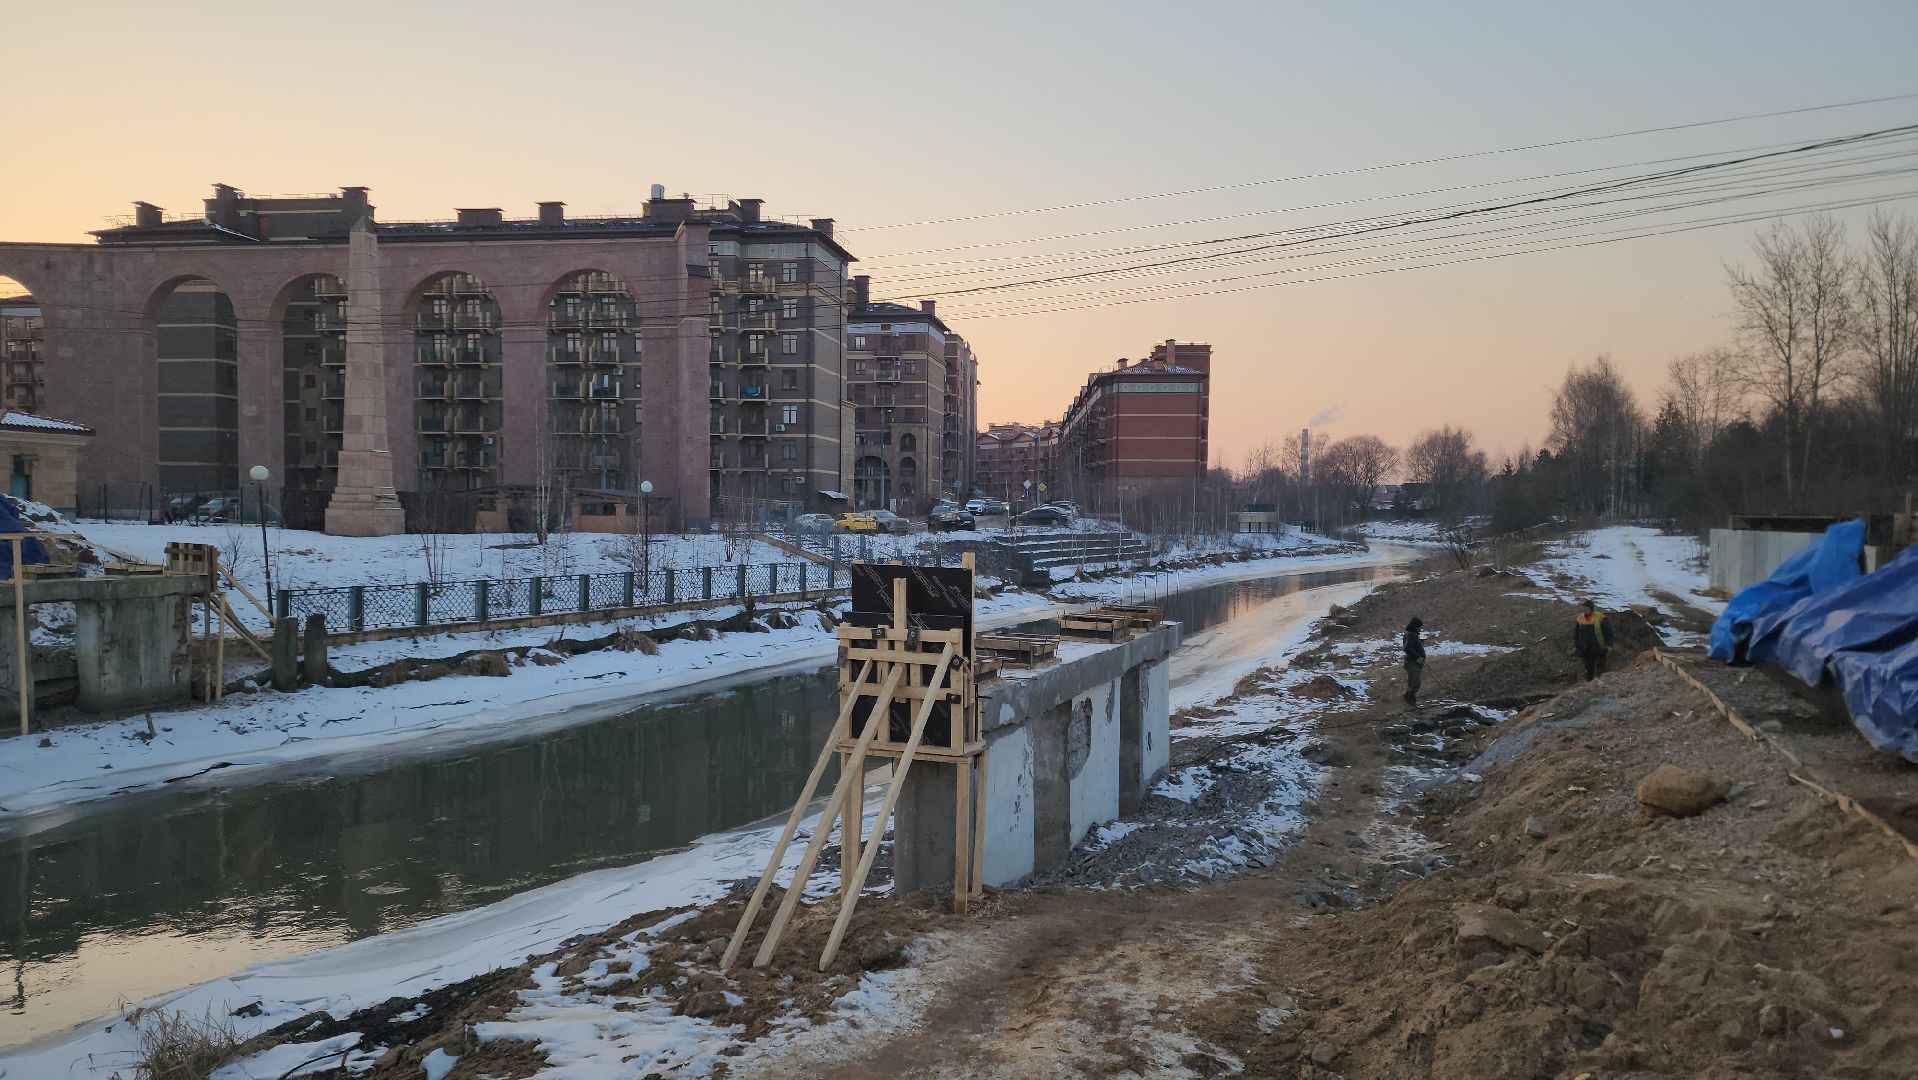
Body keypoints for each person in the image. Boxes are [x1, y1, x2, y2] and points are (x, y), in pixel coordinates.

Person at [1573, 599, 1614, 681]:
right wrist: (1577, 646)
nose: (1585, 609)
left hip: (1600, 648)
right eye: (1584, 607)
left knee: (1600, 668)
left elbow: (1608, 632)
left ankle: (1600, 682)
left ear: (1591, 608)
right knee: (1589, 669)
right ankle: (1590, 683)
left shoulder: (1600, 617)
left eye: (1587, 607)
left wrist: (1609, 645)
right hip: (1586, 649)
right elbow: (1577, 634)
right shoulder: (1580, 619)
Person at [1402, 616, 1426, 708]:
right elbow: (1407, 647)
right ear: (1415, 626)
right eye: (1419, 627)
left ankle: (1411, 703)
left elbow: (1411, 646)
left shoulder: (1411, 634)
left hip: (1413, 662)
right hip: (1413, 663)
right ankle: (1409, 702)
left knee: (1412, 682)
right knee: (1415, 683)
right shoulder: (1411, 635)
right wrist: (1418, 657)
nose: (1420, 629)